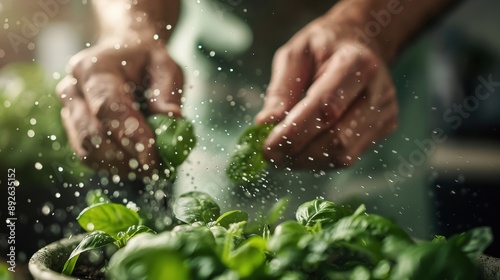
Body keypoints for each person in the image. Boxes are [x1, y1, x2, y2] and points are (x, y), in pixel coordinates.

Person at [56, 0, 457, 178]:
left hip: (365, 84)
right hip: (212, 78)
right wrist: (131, 24)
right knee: (212, 248)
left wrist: (370, 26)